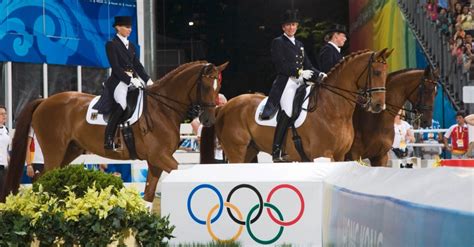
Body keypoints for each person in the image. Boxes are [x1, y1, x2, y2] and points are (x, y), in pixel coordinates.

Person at [259, 9, 326, 162]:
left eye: (294, 25)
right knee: (288, 111)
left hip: (300, 83)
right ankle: (276, 150)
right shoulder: (278, 42)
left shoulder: (300, 44)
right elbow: (280, 65)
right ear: (283, 27)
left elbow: (308, 64)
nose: (291, 27)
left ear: (296, 27)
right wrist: (299, 73)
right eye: (288, 25)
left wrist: (320, 74)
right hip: (286, 83)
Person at [94, 16, 153, 150]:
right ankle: (108, 138)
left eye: (130, 27)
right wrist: (130, 80)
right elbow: (115, 68)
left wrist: (148, 80)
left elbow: (137, 66)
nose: (130, 30)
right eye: (127, 27)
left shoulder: (131, 46)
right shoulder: (111, 44)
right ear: (118, 27)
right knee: (122, 104)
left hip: (133, 81)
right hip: (118, 81)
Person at [0, 105, 10, 194]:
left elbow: (6, 148)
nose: (4, 116)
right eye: (1, 114)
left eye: (5, 114)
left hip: (5, 166)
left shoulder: (6, 130)